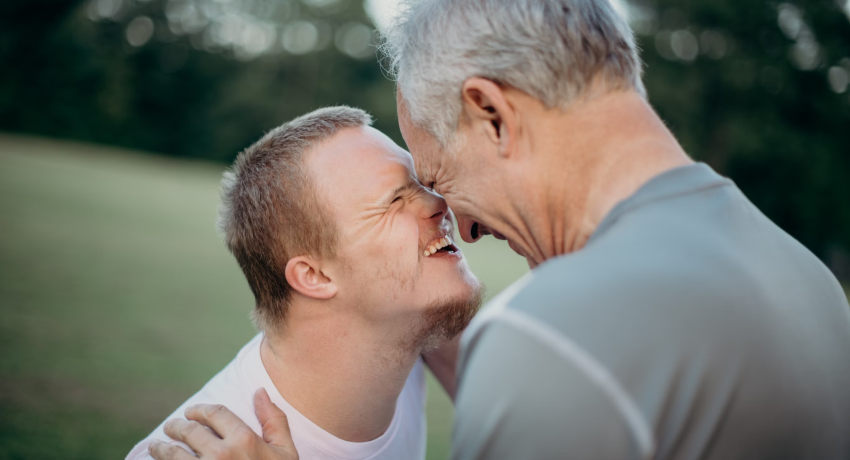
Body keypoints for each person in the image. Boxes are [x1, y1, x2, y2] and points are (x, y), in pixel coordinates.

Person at [151, 0, 850, 459]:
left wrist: (526, 362)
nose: (460, 223)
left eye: (439, 175)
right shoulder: (805, 279)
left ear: (491, 114)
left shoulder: (556, 340)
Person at [132, 106, 482, 460]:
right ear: (314, 276)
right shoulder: (195, 451)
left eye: (422, 183)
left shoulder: (413, 326)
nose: (439, 202)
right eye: (394, 200)